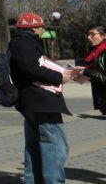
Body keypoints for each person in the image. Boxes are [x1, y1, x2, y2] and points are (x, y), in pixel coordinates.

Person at [10, 12, 74, 184]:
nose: (42, 30)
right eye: (41, 27)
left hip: (32, 102)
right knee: (55, 147)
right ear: (33, 28)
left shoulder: (21, 42)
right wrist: (59, 76)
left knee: (35, 147)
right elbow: (30, 68)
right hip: (40, 102)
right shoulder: (24, 43)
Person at [74, 26, 106, 115]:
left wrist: (85, 71)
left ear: (104, 36)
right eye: (88, 35)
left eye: (92, 35)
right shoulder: (95, 52)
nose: (89, 37)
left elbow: (104, 78)